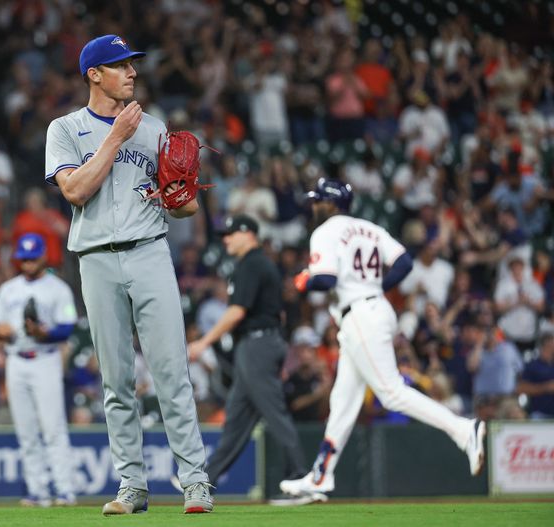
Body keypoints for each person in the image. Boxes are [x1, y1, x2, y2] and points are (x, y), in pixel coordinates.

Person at [44, 34, 213, 515]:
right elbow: (74, 190)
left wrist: (179, 197)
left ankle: (195, 482)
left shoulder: (155, 126)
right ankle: (131, 487)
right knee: (116, 381)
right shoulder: (65, 129)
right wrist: (116, 137)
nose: (133, 72)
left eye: (133, 65)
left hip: (149, 252)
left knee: (171, 373)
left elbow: (186, 207)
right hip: (96, 258)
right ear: (94, 74)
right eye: (121, 65)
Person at [279, 179, 486, 500]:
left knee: (391, 393)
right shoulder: (369, 228)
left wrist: (303, 281)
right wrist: (376, 287)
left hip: (361, 315)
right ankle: (321, 476)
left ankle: (463, 430)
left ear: (332, 204)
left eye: (318, 201)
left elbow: (325, 279)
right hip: (373, 310)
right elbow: (404, 262)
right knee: (342, 402)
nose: (314, 205)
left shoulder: (326, 231)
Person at [184, 215, 314, 503]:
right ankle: (206, 480)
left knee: (274, 412)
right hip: (257, 344)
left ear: (249, 234)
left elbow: (237, 311)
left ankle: (300, 479)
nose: (226, 239)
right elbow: (276, 312)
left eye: (231, 234)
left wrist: (204, 342)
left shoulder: (253, 263)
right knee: (237, 418)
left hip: (258, 344)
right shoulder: (255, 264)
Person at [0, 233, 78, 507]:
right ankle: (37, 490)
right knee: (26, 431)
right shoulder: (9, 289)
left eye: (32, 258)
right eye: (23, 259)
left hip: (45, 358)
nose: (27, 263)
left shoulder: (58, 288)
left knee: (53, 429)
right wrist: (1, 331)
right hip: (16, 360)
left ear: (42, 257)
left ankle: (64, 490)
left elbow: (68, 325)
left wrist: (45, 333)